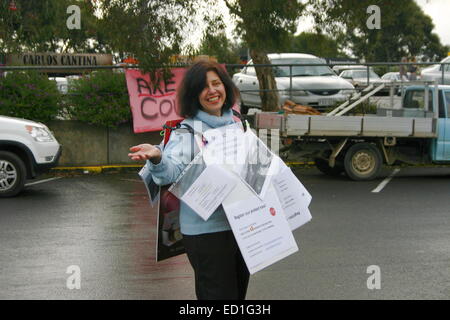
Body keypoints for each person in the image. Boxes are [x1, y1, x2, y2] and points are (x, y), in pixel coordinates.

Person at [128, 60, 250, 300]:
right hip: (207, 233)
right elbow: (169, 173)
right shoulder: (187, 132)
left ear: (226, 86)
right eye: (204, 87)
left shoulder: (237, 124)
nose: (212, 91)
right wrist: (157, 158)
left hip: (241, 226)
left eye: (216, 83)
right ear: (194, 95)